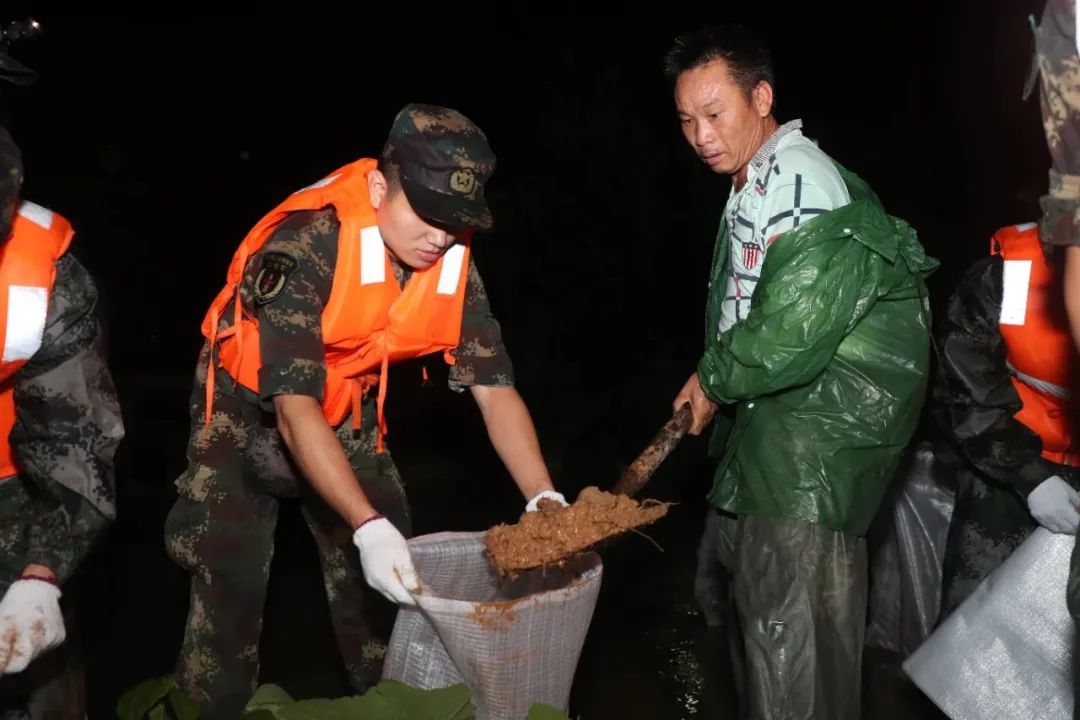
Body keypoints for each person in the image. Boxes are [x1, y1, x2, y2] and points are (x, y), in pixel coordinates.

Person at [164, 103, 566, 717]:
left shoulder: (451, 258)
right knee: (228, 588)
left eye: (455, 220)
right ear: (379, 188)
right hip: (244, 415)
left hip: (348, 408)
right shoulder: (306, 245)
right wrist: (364, 523)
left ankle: (394, 705)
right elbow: (293, 406)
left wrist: (542, 497)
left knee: (396, 587)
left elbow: (493, 385)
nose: (440, 236)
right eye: (427, 213)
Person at [663, 24, 937, 719]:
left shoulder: (798, 179)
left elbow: (792, 333)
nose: (700, 135)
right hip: (773, 443)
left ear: (761, 98)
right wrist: (715, 383)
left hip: (808, 459)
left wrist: (712, 378)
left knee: (794, 673)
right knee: (773, 655)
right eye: (687, 120)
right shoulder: (753, 179)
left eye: (714, 113)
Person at [0, 28, 124, 719]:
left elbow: (74, 436)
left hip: (9, 490)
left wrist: (40, 576)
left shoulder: (44, 275)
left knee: (34, 681)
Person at [935, 222, 1080, 617]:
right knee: (976, 615)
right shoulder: (1010, 276)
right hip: (1007, 455)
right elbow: (962, 385)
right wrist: (1030, 478)